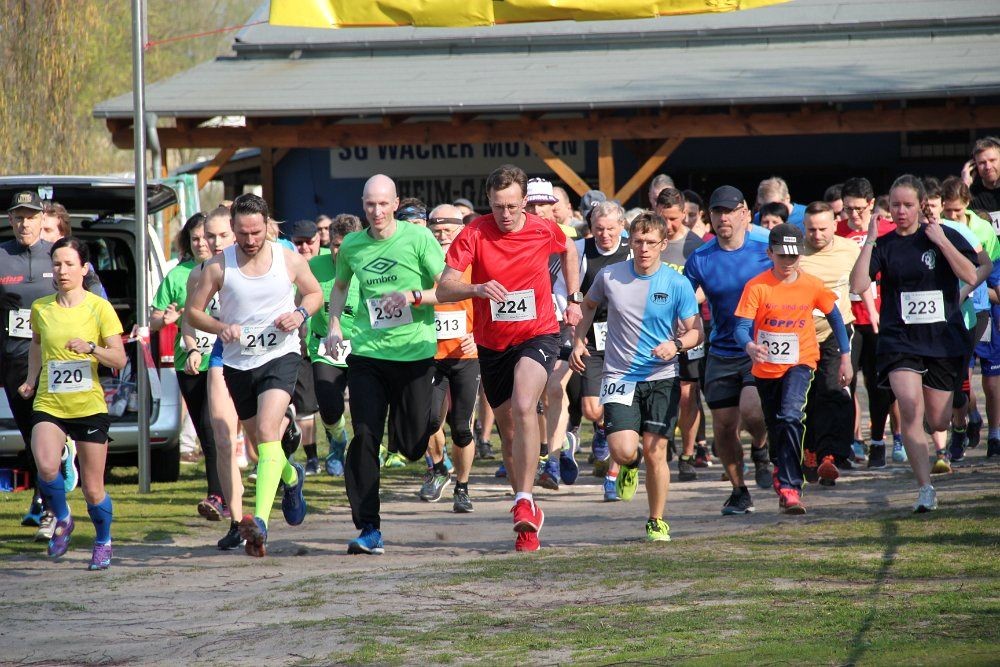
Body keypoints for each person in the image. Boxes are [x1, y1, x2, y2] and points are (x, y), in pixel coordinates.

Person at [437, 164, 582, 552]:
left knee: (523, 403)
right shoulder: (474, 232)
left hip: (538, 334)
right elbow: (445, 287)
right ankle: (527, 517)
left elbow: (569, 249)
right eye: (498, 206)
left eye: (513, 206)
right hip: (492, 344)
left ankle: (523, 499)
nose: (505, 214)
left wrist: (574, 298)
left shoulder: (542, 228)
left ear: (524, 202)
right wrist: (478, 288)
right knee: (511, 432)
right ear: (489, 200)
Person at [186, 193, 322, 557]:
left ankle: (259, 522)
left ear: (267, 226)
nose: (249, 240)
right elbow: (193, 313)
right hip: (238, 364)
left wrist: (300, 315)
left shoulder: (288, 259)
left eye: (256, 232)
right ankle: (291, 476)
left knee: (266, 430)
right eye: (243, 233)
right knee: (263, 447)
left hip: (281, 356)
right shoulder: (218, 267)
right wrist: (220, 327)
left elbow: (314, 293)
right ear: (233, 229)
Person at [325, 175, 445, 555]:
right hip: (368, 354)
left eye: (383, 204)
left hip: (414, 354)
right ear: (363, 205)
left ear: (395, 204)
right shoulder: (353, 245)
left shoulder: (418, 238)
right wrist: (333, 324)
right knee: (364, 436)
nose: (376, 212)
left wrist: (413, 296)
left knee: (411, 445)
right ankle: (369, 528)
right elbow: (340, 287)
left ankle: (432, 406)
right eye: (369, 204)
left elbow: (445, 287)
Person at [849, 175, 978, 512]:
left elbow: (970, 274)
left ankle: (956, 421)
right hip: (900, 340)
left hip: (940, 341)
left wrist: (942, 241)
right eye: (895, 205)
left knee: (937, 420)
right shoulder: (884, 244)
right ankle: (925, 488)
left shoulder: (941, 235)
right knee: (908, 404)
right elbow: (857, 284)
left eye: (907, 205)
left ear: (921, 205)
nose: (901, 211)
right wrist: (869, 240)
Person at [571, 211, 701, 540]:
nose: (644, 248)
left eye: (651, 242)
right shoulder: (610, 275)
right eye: (638, 241)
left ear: (663, 244)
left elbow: (695, 331)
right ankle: (630, 464)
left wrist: (676, 345)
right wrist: (578, 341)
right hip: (620, 375)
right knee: (621, 450)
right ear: (630, 242)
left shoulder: (677, 283)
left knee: (657, 450)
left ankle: (656, 520)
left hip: (662, 376)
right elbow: (588, 305)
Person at [18, 237, 126, 569]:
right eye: (56, 264)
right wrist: (31, 379)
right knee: (46, 465)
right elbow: (37, 345)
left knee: (93, 489)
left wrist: (91, 348)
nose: (62, 271)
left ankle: (103, 541)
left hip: (88, 406)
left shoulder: (99, 307)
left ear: (84, 268)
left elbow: (119, 359)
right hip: (50, 402)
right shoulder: (41, 307)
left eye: (69, 264)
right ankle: (63, 518)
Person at [1, 192, 102, 536]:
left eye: (31, 217)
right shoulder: (2, 256)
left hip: (61, 359)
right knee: (32, 436)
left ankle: (50, 509)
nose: (24, 224)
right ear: (10, 220)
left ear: (41, 218)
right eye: (18, 217)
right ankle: (49, 496)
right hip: (18, 359)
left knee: (46, 433)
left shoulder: (58, 254)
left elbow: (95, 292)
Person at [735, 223, 852, 514]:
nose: (788, 261)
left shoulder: (812, 284)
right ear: (770, 253)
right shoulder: (757, 286)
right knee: (777, 425)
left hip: (801, 362)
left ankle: (790, 487)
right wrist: (749, 346)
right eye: (782, 255)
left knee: (790, 416)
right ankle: (781, 465)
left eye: (794, 256)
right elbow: (740, 327)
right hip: (766, 368)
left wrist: (846, 356)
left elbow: (836, 318)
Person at [684, 185, 772, 516]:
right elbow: (683, 299)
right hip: (721, 349)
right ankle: (739, 491)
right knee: (722, 426)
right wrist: (682, 322)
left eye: (730, 211)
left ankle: (761, 447)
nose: (723, 217)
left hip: (759, 349)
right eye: (717, 211)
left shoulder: (765, 251)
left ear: (744, 213)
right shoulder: (701, 258)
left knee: (752, 411)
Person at [151, 213, 227, 519]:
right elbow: (154, 320)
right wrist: (167, 319)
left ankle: (219, 495)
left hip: (223, 360)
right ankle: (221, 493)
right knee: (206, 433)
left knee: (213, 426)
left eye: (205, 237)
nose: (201, 243)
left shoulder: (228, 269)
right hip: (190, 362)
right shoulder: (179, 275)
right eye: (194, 238)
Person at [180, 207, 248, 550]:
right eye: (210, 236)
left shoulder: (261, 264)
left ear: (235, 232)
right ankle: (237, 520)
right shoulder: (200, 273)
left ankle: (288, 474)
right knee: (222, 439)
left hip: (264, 357)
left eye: (223, 235)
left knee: (262, 442)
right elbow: (189, 317)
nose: (215, 242)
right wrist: (193, 348)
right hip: (223, 356)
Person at [421, 205, 480, 511]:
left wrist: (478, 334)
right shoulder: (419, 263)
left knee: (462, 428)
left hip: (465, 356)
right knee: (428, 420)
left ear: (461, 231)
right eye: (436, 230)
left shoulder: (475, 261)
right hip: (429, 355)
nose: (442, 236)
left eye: (448, 230)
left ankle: (462, 487)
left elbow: (493, 299)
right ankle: (439, 469)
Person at [837, 177, 898, 467]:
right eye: (848, 209)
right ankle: (849, 442)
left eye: (859, 209)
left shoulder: (886, 230)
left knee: (878, 384)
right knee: (844, 383)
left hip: (879, 318)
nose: (853, 215)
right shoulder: (835, 231)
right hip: (847, 318)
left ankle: (878, 442)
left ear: (872, 204)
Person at [798, 202, 861, 485]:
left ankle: (830, 456)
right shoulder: (795, 252)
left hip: (838, 330)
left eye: (823, 229)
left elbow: (863, 282)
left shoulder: (850, 250)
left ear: (835, 224)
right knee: (806, 396)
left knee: (833, 389)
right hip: (801, 333)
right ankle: (810, 452)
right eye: (811, 229)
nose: (817, 235)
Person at [573, 201, 631, 499]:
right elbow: (576, 297)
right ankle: (600, 430)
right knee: (592, 409)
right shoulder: (581, 251)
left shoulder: (633, 252)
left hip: (626, 341)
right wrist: (577, 337)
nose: (604, 235)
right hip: (594, 338)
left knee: (618, 409)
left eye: (610, 229)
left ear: (622, 227)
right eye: (598, 229)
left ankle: (612, 477)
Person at [655, 188, 707, 482]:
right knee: (660, 391)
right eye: (664, 218)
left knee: (688, 394)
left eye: (674, 219)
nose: (670, 225)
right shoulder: (650, 242)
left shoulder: (695, 246)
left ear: (685, 214)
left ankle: (688, 454)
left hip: (687, 328)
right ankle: (661, 444)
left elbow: (705, 287)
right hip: (654, 329)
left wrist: (683, 308)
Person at [308, 214, 361, 478]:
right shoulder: (314, 266)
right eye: (337, 245)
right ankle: (338, 440)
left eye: (348, 245)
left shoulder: (368, 266)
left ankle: (365, 453)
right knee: (329, 406)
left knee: (365, 408)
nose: (341, 251)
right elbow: (298, 299)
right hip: (325, 346)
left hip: (362, 347)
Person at [285, 218, 325, 474]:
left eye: (309, 242)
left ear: (318, 240)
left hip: (329, 343)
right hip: (299, 347)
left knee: (330, 406)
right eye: (299, 243)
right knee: (305, 404)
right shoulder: (287, 265)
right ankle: (311, 458)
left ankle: (337, 448)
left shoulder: (330, 263)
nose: (305, 248)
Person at [964, 136, 1000, 231]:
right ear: (974, 166)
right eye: (982, 163)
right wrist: (965, 184)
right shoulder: (971, 194)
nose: (988, 167)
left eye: (992, 160)